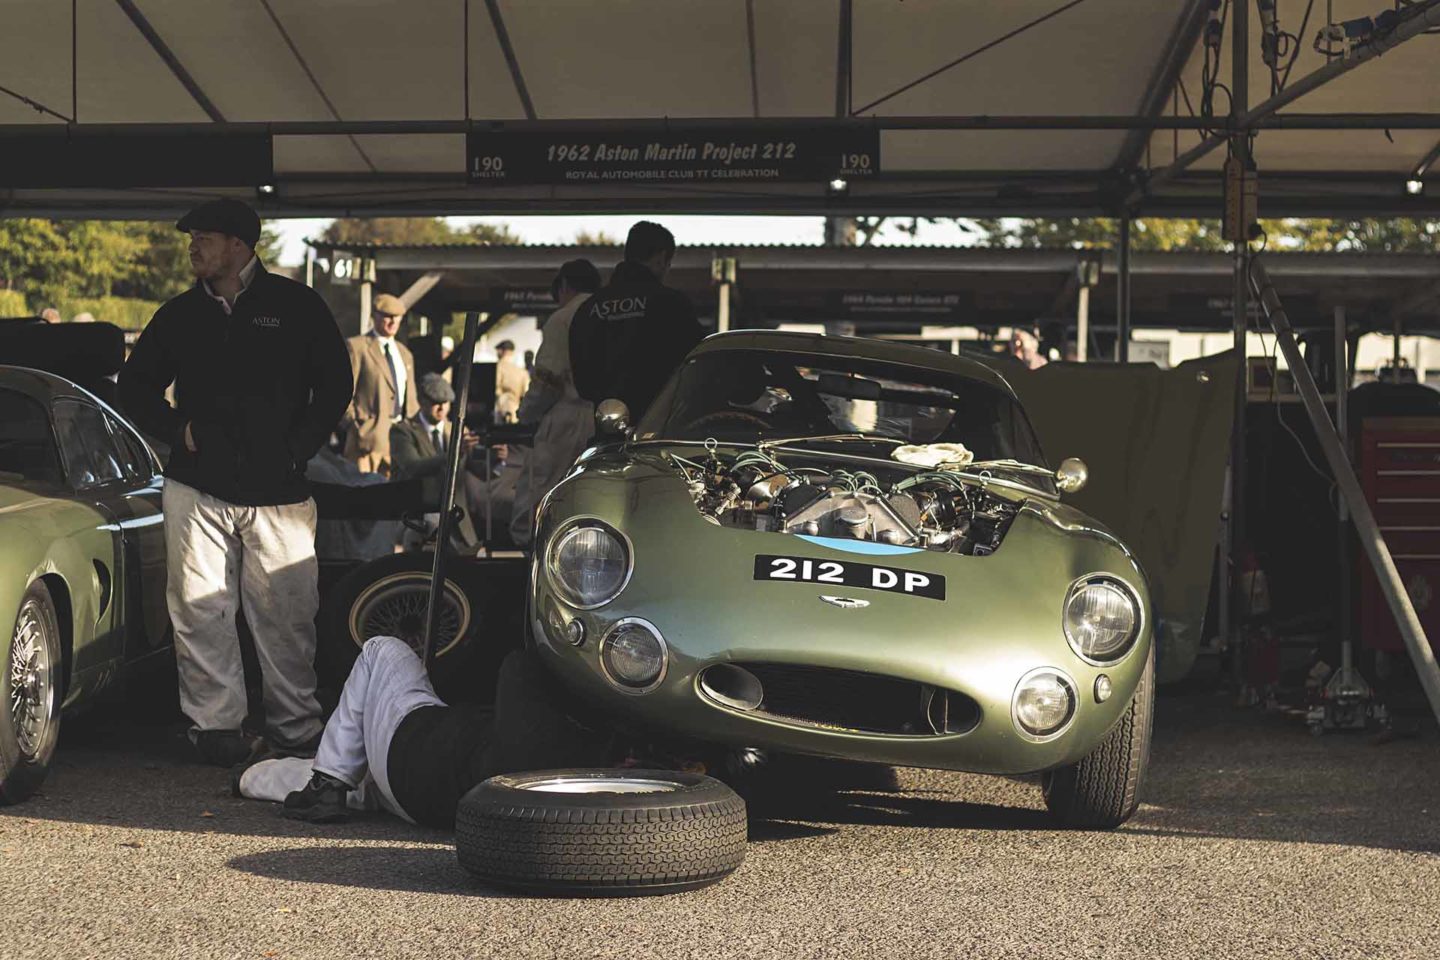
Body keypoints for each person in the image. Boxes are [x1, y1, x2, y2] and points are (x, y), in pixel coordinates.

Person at [118, 197, 352, 766]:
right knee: (199, 608)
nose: (193, 246)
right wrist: (179, 430)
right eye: (192, 237)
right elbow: (134, 386)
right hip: (196, 485)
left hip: (280, 490)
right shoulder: (177, 314)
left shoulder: (296, 305)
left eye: (205, 237)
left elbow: (336, 385)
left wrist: (296, 451)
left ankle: (296, 729)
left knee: (286, 613)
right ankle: (216, 729)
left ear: (241, 246)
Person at [236, 637, 608, 826]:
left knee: (383, 649)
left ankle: (325, 786)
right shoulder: (606, 762)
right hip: (422, 806)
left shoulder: (533, 689)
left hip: (411, 753)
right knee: (361, 779)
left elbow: (521, 659)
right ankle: (254, 778)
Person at [510, 258, 602, 546]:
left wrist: (525, 414)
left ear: (563, 286)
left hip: (564, 422)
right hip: (603, 422)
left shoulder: (562, 318)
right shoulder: (605, 313)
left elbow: (547, 381)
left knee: (542, 497)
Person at [569, 221, 703, 418]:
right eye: (668, 263)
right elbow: (695, 368)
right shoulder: (671, 304)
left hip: (607, 432)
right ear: (661, 258)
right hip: (659, 431)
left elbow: (583, 385)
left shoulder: (590, 308)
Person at [342, 294, 418, 476]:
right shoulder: (357, 347)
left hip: (401, 441)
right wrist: (357, 427)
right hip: (367, 443)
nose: (393, 321)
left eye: (397, 317)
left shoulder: (405, 353)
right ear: (374, 316)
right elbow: (342, 393)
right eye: (387, 316)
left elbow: (412, 399)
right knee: (364, 497)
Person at [493, 339, 530, 423]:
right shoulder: (522, 372)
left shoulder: (495, 369)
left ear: (500, 351)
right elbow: (526, 394)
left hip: (497, 413)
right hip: (515, 412)